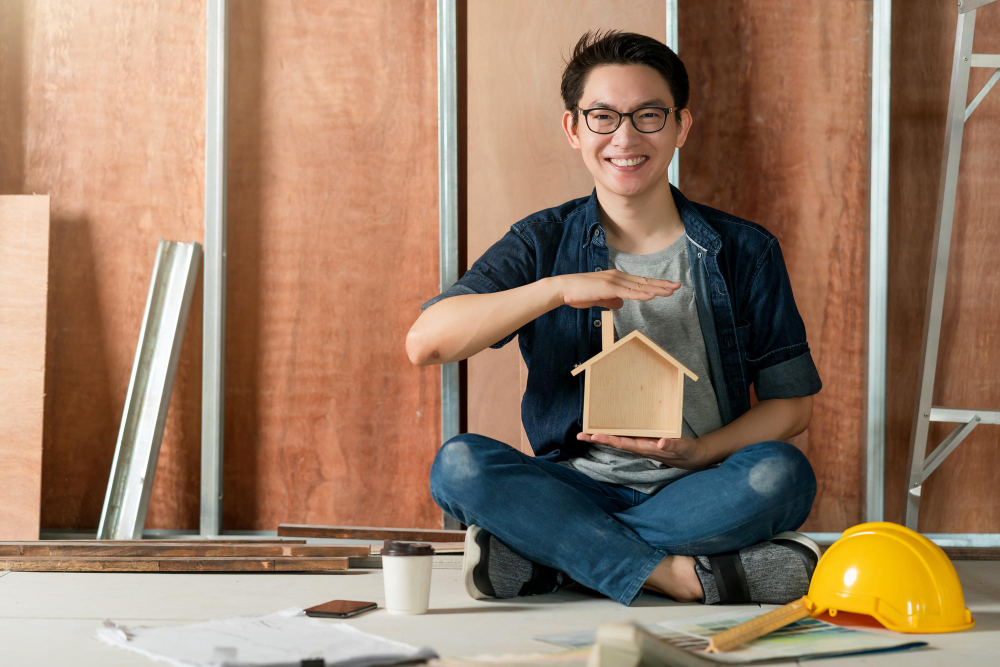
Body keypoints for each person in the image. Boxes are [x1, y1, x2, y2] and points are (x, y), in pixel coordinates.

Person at [405, 30, 822, 607]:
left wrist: (702, 452)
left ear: (681, 126)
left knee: (782, 473)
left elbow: (792, 405)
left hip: (700, 488)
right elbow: (426, 341)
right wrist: (555, 289)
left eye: (649, 115)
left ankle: (554, 558)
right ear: (573, 128)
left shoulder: (744, 249)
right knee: (459, 466)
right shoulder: (542, 242)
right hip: (573, 487)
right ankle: (674, 575)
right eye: (602, 116)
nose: (625, 137)